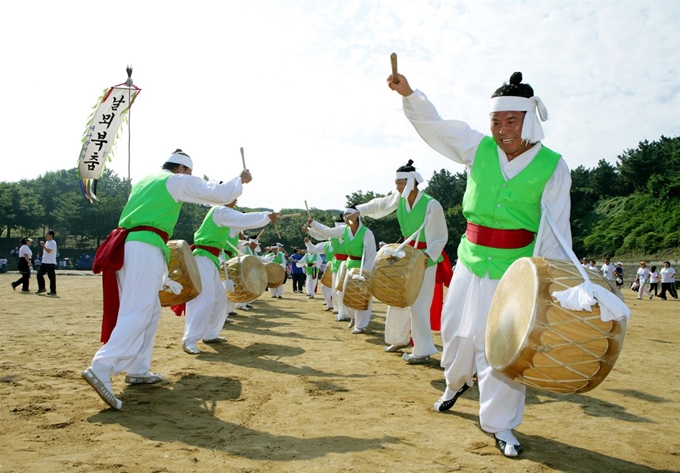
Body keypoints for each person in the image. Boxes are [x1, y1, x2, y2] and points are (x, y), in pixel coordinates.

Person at [388, 71, 572, 457]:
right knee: (456, 332)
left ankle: (501, 424)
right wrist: (410, 95)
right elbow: (437, 129)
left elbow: (556, 226)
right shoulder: (478, 149)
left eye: (511, 121)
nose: (502, 129)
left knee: (501, 347)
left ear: (530, 119)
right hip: (470, 261)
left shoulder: (553, 167)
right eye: (496, 121)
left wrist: (551, 281)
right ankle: (455, 383)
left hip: (513, 271)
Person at [82, 149, 251, 410]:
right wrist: (240, 179)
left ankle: (138, 367)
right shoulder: (174, 180)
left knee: (149, 311)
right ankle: (102, 366)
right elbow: (220, 194)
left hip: (133, 245)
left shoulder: (144, 181)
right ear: (182, 170)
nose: (190, 178)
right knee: (138, 309)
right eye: (190, 173)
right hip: (145, 247)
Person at [356, 160, 449, 364]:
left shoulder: (431, 204)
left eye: (401, 183)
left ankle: (423, 350)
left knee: (418, 305)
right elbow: (379, 204)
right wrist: (357, 209)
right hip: (405, 257)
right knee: (397, 299)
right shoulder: (399, 200)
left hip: (425, 260)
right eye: (396, 183)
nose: (397, 187)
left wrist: (426, 256)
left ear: (413, 182)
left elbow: (441, 237)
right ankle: (398, 339)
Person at [181, 201, 280, 355]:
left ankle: (211, 335)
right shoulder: (221, 211)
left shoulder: (225, 217)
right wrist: (266, 216)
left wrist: (258, 226)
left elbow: (240, 222)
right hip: (203, 258)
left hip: (212, 259)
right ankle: (190, 340)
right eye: (232, 197)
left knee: (221, 299)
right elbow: (242, 219)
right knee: (204, 299)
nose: (235, 201)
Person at [308, 206, 377, 334]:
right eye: (344, 216)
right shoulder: (343, 230)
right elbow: (328, 231)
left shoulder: (366, 232)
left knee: (361, 295)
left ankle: (360, 324)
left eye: (348, 215)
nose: (346, 218)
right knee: (344, 293)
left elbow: (371, 254)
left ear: (356, 217)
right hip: (348, 266)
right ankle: (352, 317)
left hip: (362, 267)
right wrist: (313, 224)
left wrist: (365, 273)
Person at [36, 230, 58, 295]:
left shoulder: (53, 242)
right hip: (44, 262)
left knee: (51, 277)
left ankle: (53, 290)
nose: (45, 236)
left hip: (50, 262)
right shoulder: (47, 242)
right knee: (39, 274)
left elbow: (48, 251)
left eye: (47, 234)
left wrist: (43, 246)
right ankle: (42, 288)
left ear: (51, 235)